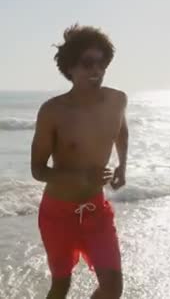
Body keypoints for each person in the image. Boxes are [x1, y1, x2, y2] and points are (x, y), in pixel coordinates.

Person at [30, 24, 128, 299]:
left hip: (97, 210)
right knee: (61, 287)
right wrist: (80, 178)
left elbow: (121, 129)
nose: (96, 69)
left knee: (113, 289)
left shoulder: (117, 100)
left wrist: (123, 165)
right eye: (87, 63)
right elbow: (37, 170)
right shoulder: (53, 111)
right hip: (58, 214)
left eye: (101, 62)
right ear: (70, 68)